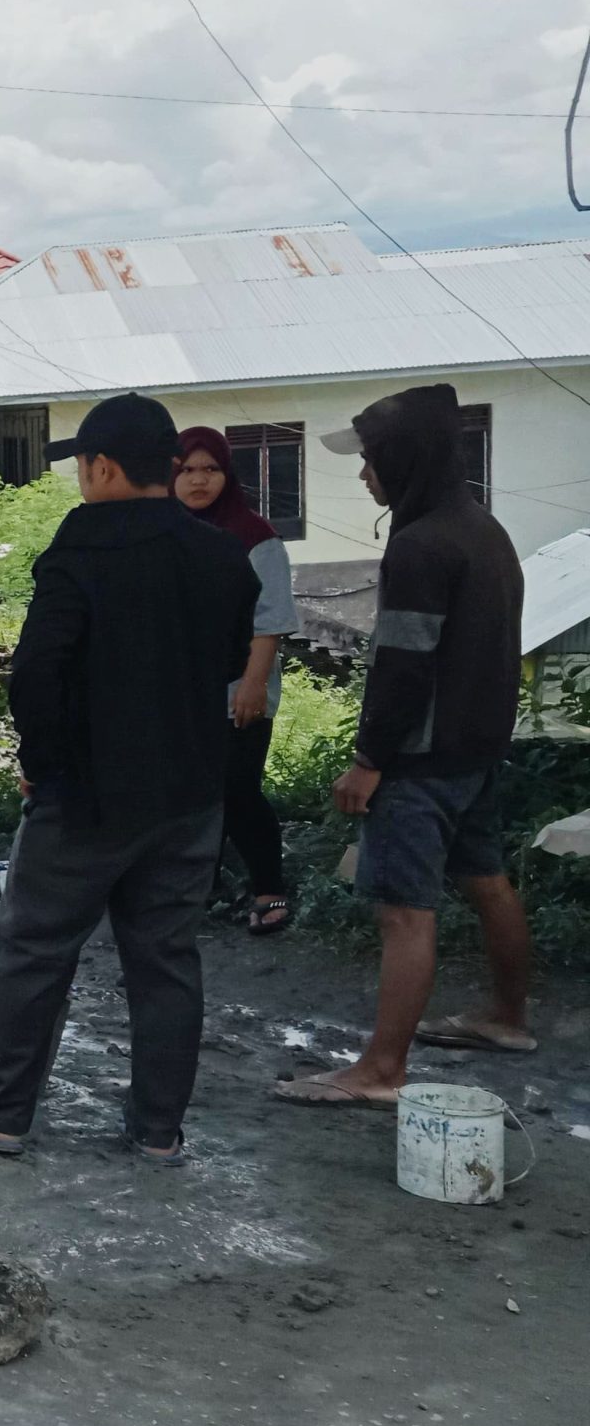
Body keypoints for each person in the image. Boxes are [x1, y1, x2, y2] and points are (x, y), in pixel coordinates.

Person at [0, 394, 258, 1162]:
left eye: (81, 464)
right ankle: (159, 1133)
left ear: (103, 467)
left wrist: (43, 769)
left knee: (36, 949)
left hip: (88, 796)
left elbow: (37, 672)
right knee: (167, 960)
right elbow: (231, 663)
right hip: (192, 795)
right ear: (170, 468)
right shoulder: (221, 555)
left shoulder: (84, 546)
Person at [276, 384, 533, 1109]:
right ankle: (508, 1018)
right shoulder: (483, 528)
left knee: (404, 912)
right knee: (486, 881)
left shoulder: (421, 546)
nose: (363, 475)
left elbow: (403, 665)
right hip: (478, 748)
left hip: (419, 760)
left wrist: (368, 761)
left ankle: (381, 1071)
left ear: (405, 458)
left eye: (371, 459)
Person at [173, 427, 303, 935]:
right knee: (188, 791)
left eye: (210, 469)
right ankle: (203, 884)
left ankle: (270, 887)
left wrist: (253, 684)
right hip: (181, 693)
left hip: (237, 689)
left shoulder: (255, 537)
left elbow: (271, 618)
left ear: (227, 475)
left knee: (237, 788)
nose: (198, 480)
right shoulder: (165, 531)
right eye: (186, 470)